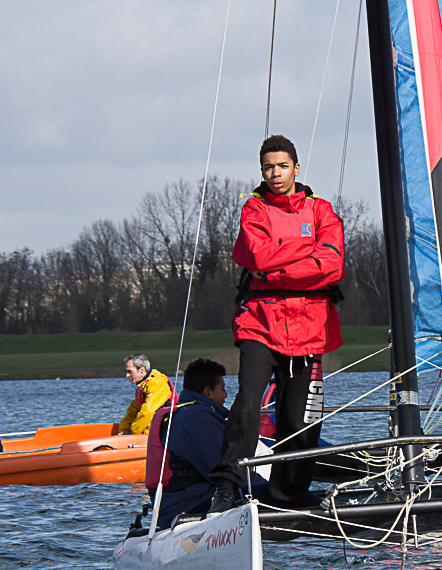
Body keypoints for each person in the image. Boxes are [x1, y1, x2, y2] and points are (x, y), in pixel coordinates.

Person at [208, 134, 345, 512]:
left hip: (309, 327)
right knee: (248, 403)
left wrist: (274, 268)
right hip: (260, 322)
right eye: (268, 167)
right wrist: (306, 256)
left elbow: (332, 265)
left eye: (282, 166)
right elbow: (257, 254)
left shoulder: (322, 211)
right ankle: (227, 486)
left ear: (296, 168)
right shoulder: (253, 208)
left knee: (301, 418)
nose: (275, 173)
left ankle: (289, 496)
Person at [145, 358, 272, 529]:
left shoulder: (183, 413)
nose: (226, 395)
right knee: (283, 495)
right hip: (188, 504)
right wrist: (273, 489)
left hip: (175, 503)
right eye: (223, 389)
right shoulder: (196, 418)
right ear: (208, 392)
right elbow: (225, 469)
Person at [118, 353, 174, 435]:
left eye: (130, 372)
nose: (127, 375)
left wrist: (134, 433)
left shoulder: (157, 384)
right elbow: (133, 411)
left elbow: (148, 411)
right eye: (126, 372)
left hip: (164, 431)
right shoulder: (143, 386)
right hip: (151, 431)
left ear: (142, 370)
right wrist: (124, 429)